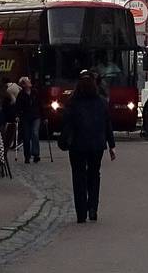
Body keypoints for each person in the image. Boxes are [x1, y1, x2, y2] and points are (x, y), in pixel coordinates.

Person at [60, 70, 117, 223]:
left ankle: (81, 213)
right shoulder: (101, 102)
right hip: (97, 144)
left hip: (77, 145)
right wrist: (111, 145)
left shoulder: (72, 102)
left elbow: (66, 123)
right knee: (94, 175)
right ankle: (93, 208)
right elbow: (107, 124)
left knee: (78, 177)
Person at [18, 76, 43, 163]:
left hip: (36, 116)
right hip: (26, 118)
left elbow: (40, 104)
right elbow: (18, 107)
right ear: (24, 85)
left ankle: (36, 154)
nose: (30, 82)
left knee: (35, 133)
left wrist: (45, 117)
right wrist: (18, 116)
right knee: (26, 136)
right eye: (28, 81)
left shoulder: (35, 92)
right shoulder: (21, 94)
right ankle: (27, 156)